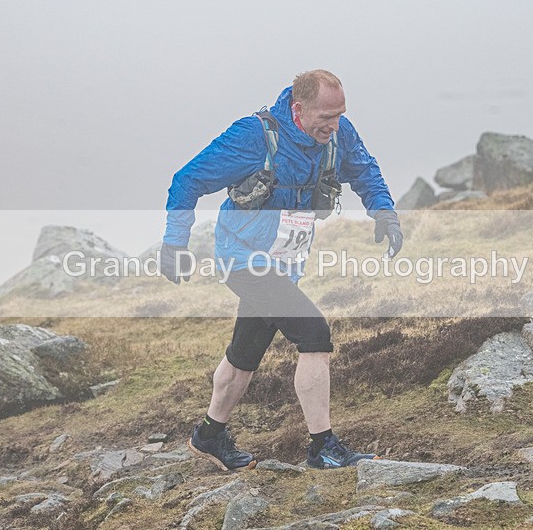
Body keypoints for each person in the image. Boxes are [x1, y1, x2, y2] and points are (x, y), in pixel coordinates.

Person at [160, 70, 403, 471]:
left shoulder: (338, 136)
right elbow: (188, 180)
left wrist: (385, 214)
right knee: (314, 333)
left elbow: (364, 171)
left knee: (244, 354)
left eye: (340, 114)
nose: (334, 125)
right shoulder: (253, 136)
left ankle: (209, 435)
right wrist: (174, 241)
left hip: (285, 265)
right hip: (242, 259)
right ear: (298, 109)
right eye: (326, 116)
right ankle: (322, 446)